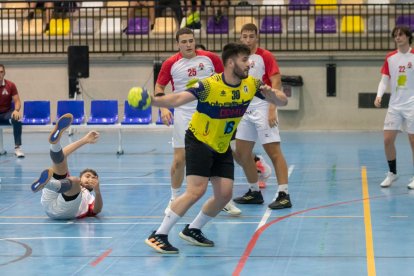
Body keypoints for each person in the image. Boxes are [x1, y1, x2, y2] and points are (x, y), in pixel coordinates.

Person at [145, 42, 288, 254]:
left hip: (221, 145)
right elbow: (176, 99)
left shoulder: (251, 85)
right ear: (230, 63)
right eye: (244, 60)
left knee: (224, 194)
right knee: (196, 191)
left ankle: (193, 229)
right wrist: (151, 102)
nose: (249, 64)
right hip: (199, 141)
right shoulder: (209, 85)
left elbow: (283, 101)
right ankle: (159, 234)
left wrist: (272, 94)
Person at [154, 28, 240, 216]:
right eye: (184, 42)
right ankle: (174, 196)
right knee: (180, 159)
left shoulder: (210, 58)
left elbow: (225, 79)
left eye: (191, 41)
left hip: (210, 114)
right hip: (183, 113)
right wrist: (163, 108)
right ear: (178, 44)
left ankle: (224, 199)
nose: (188, 44)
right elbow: (160, 86)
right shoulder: (171, 63)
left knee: (217, 153)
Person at [233, 23, 292, 209]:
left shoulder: (265, 56)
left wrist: (272, 108)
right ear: (240, 37)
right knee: (243, 154)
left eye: (251, 36)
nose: (248, 40)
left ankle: (284, 194)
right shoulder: (237, 58)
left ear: (257, 37)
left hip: (264, 106)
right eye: (245, 36)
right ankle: (254, 191)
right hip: (244, 110)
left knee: (274, 152)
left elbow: (276, 81)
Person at [31, 113, 103, 219]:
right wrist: (84, 140)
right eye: (87, 176)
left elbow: (97, 210)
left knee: (74, 181)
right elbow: (63, 154)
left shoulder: (89, 197)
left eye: (93, 178)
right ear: (82, 175)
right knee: (60, 161)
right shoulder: (67, 179)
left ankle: (46, 184)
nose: (90, 179)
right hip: (51, 198)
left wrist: (97, 191)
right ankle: (55, 143)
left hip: (65, 211)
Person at [375, 25, 414, 189]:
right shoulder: (390, 57)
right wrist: (379, 95)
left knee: (413, 141)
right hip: (394, 105)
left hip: (412, 104)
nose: (398, 38)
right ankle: (392, 173)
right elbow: (385, 79)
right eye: (395, 35)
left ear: (408, 37)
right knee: (387, 140)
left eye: (401, 35)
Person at [0, 64, 24, 158]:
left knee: (17, 118)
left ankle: (17, 148)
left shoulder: (10, 85)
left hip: (6, 114)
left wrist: (16, 110)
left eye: (1, 72)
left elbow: (17, 101)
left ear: (4, 73)